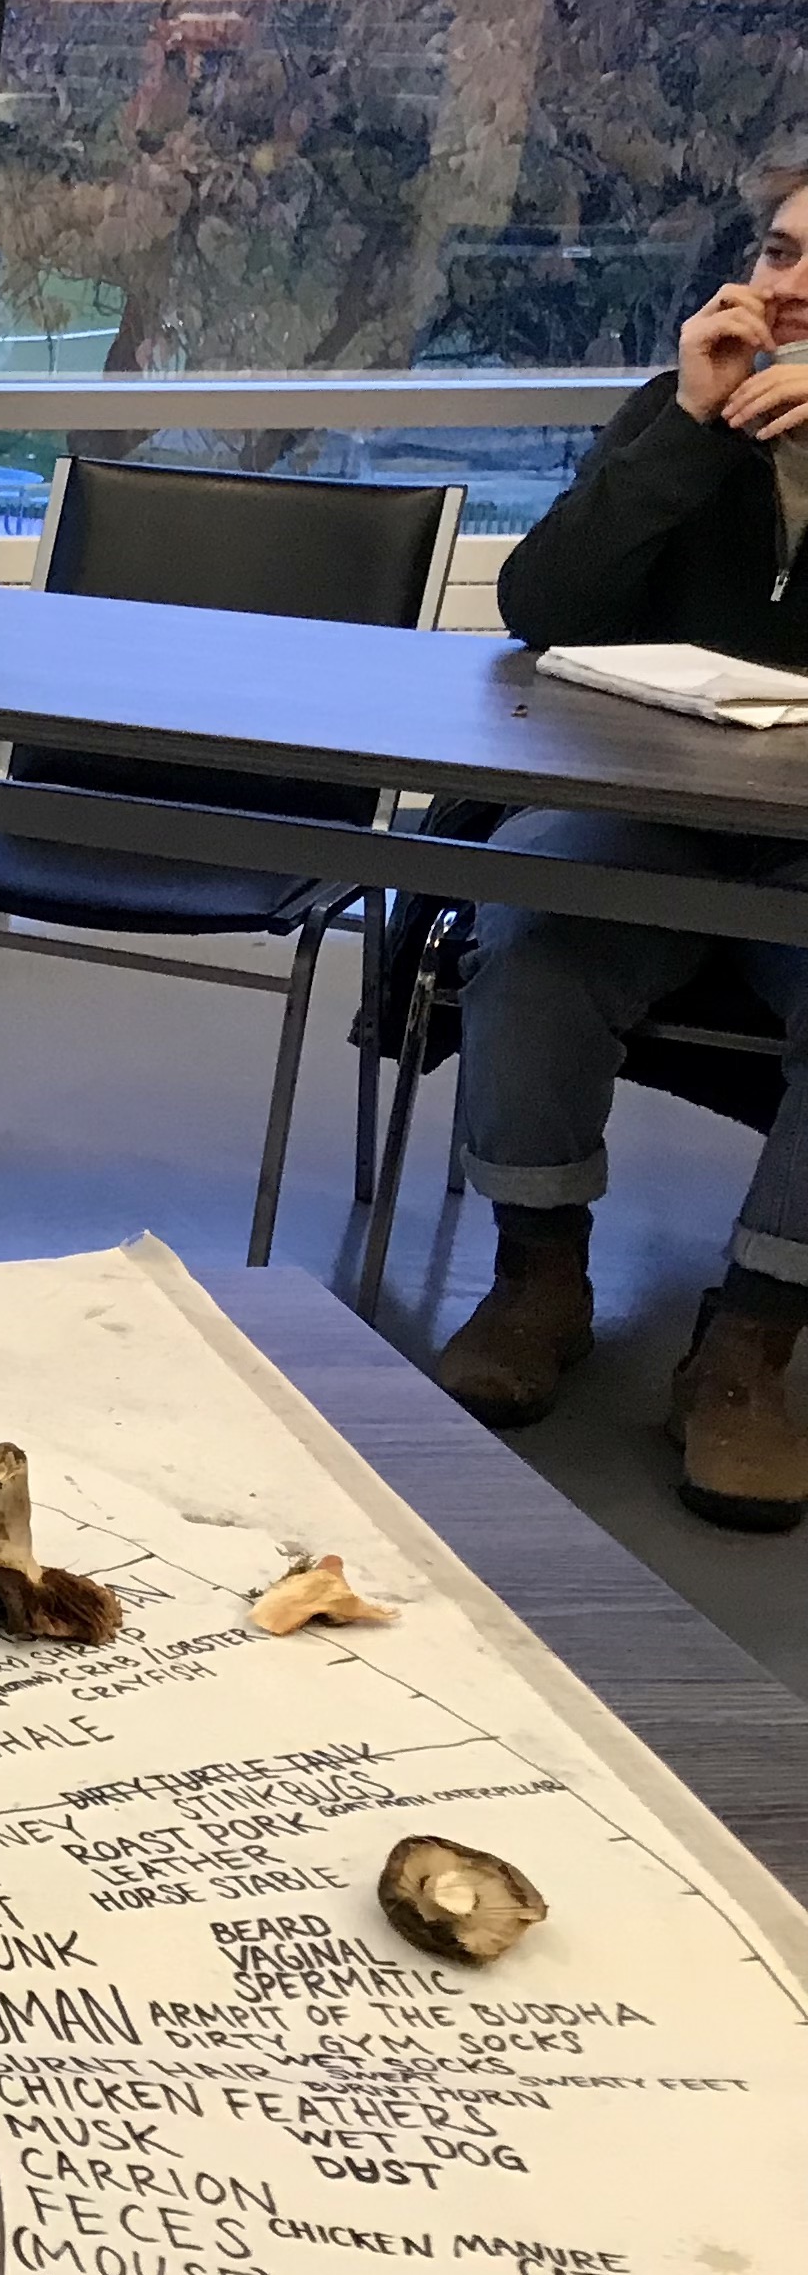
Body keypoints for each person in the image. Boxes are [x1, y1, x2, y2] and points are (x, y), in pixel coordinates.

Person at [431, 170, 808, 1526]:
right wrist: (689, 430)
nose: (787, 289)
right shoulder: (678, 414)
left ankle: (751, 1344)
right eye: (779, 253)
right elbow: (543, 605)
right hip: (646, 811)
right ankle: (538, 1277)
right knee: (530, 926)